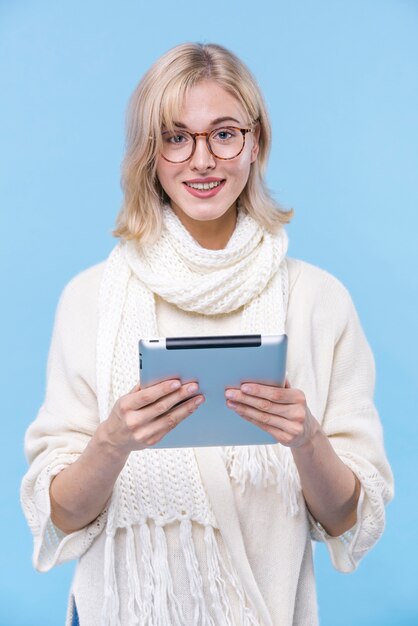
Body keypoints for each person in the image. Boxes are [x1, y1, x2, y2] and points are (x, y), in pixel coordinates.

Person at [21, 42, 394, 626]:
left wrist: (305, 439)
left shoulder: (319, 301)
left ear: (256, 143)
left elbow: (349, 517)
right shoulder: (90, 299)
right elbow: (59, 516)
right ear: (150, 154)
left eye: (224, 134)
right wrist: (113, 440)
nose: (202, 161)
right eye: (176, 137)